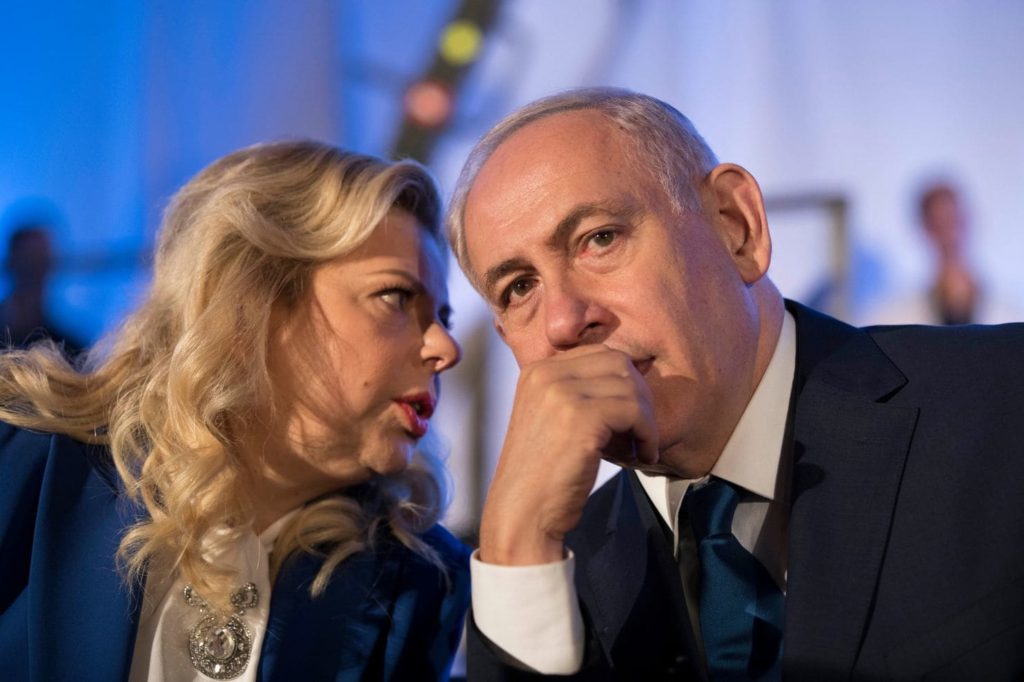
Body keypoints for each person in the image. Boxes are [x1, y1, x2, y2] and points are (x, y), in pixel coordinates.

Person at [446, 88, 1024, 680]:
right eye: (519, 288)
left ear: (735, 226)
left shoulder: (1005, 400)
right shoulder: (543, 578)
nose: (564, 322)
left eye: (600, 238)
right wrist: (515, 551)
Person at [0, 141, 470, 681]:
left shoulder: (413, 583)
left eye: (444, 317)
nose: (446, 348)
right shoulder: (23, 463)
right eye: (396, 297)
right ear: (252, 300)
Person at [864, 180, 1022, 326]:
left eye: (954, 221)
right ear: (926, 229)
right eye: (939, 224)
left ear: (967, 222)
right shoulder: (894, 317)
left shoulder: (1010, 314)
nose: (950, 235)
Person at [0, 220, 89, 354]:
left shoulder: (68, 350)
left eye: (40, 262)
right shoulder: (65, 348)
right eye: (28, 261)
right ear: (11, 264)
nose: (33, 272)